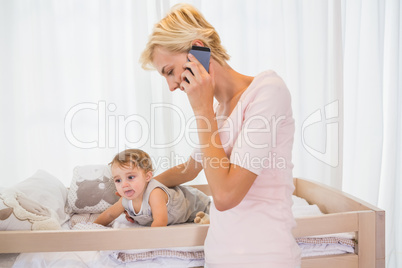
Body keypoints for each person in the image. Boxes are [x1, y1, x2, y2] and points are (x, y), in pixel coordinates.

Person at [139, 3, 301, 268]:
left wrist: (202, 109)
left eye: (169, 71)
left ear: (198, 50)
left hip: (265, 258)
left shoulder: (268, 91)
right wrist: (140, 189)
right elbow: (189, 170)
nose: (170, 86)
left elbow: (226, 196)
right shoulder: (218, 111)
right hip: (218, 256)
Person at [94, 149, 210, 227]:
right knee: (202, 221)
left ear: (148, 176)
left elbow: (160, 222)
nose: (124, 185)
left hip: (197, 204)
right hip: (188, 216)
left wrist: (148, 242)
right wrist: (92, 227)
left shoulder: (155, 194)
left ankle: (210, 217)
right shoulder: (126, 200)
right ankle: (204, 220)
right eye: (118, 180)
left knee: (216, 217)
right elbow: (109, 215)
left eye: (130, 177)